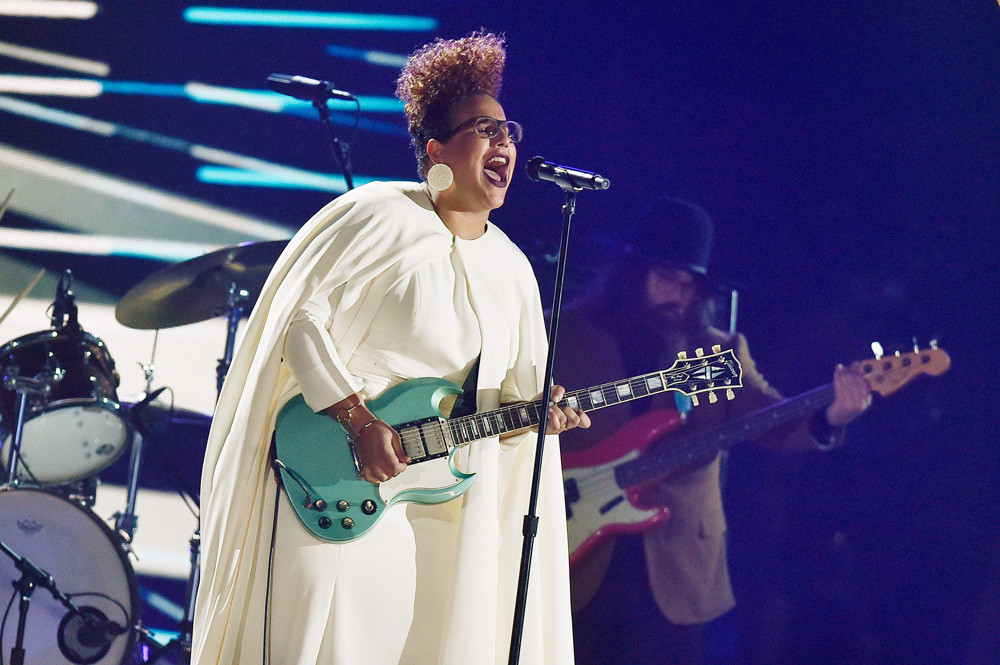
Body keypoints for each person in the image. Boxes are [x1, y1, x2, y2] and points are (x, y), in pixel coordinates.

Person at [191, 31, 589, 665]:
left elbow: (495, 409)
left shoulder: (510, 268)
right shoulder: (383, 215)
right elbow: (302, 324)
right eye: (483, 130)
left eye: (507, 130)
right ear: (436, 150)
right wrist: (358, 420)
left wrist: (538, 418)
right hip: (327, 472)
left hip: (417, 500)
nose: (503, 143)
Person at [553, 197, 872, 665]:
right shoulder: (569, 335)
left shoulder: (710, 355)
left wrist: (831, 417)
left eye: (690, 285)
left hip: (675, 569)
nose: (679, 297)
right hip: (575, 557)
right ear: (630, 273)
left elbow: (767, 416)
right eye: (666, 278)